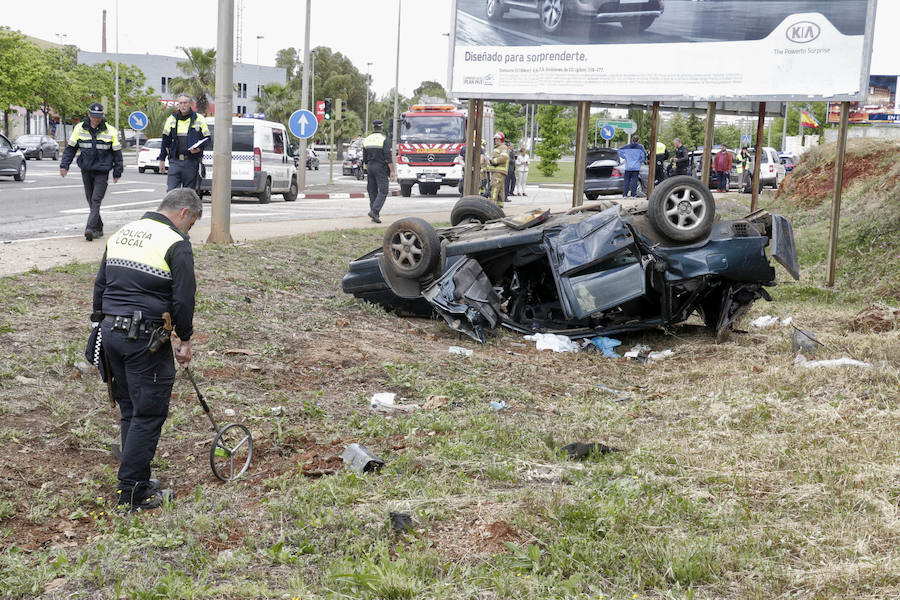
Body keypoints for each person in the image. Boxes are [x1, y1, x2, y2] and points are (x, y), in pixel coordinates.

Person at [92, 188, 201, 512]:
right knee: (148, 414)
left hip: (111, 333)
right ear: (184, 212)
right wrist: (185, 338)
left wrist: (99, 323)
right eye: (192, 223)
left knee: (129, 409)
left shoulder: (124, 233)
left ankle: (137, 478)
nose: (189, 230)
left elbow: (101, 284)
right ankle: (132, 494)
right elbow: (183, 299)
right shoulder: (175, 243)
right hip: (145, 340)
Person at [60, 102, 124, 241]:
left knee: (96, 199)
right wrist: (64, 166)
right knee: (90, 200)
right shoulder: (79, 128)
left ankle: (90, 228)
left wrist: (117, 172)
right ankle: (99, 227)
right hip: (86, 169)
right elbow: (70, 149)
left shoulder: (110, 130)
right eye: (94, 116)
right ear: (89, 114)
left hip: (102, 170)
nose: (96, 119)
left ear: (102, 116)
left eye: (98, 117)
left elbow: (117, 153)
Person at [158, 94, 210, 192]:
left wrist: (199, 149)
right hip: (175, 162)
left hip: (191, 162)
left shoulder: (199, 118)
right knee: (172, 192)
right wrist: (162, 159)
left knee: (188, 194)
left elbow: (207, 139)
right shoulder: (171, 119)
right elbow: (165, 141)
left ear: (190, 104)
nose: (183, 105)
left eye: (185, 103)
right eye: (180, 103)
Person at [362, 119, 395, 223]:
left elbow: (364, 156)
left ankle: (374, 214)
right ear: (381, 127)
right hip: (380, 167)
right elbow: (388, 157)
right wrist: (392, 171)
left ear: (373, 127)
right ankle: (375, 211)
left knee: (372, 191)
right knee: (384, 190)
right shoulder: (383, 139)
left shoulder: (367, 139)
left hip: (370, 166)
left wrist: (367, 166)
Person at [487, 131, 509, 206]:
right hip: (498, 171)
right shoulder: (499, 148)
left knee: (495, 187)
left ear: (502, 140)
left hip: (499, 171)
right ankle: (500, 204)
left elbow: (504, 158)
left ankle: (492, 204)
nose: (496, 141)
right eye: (495, 139)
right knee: (500, 189)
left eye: (498, 139)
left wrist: (493, 161)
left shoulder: (503, 147)